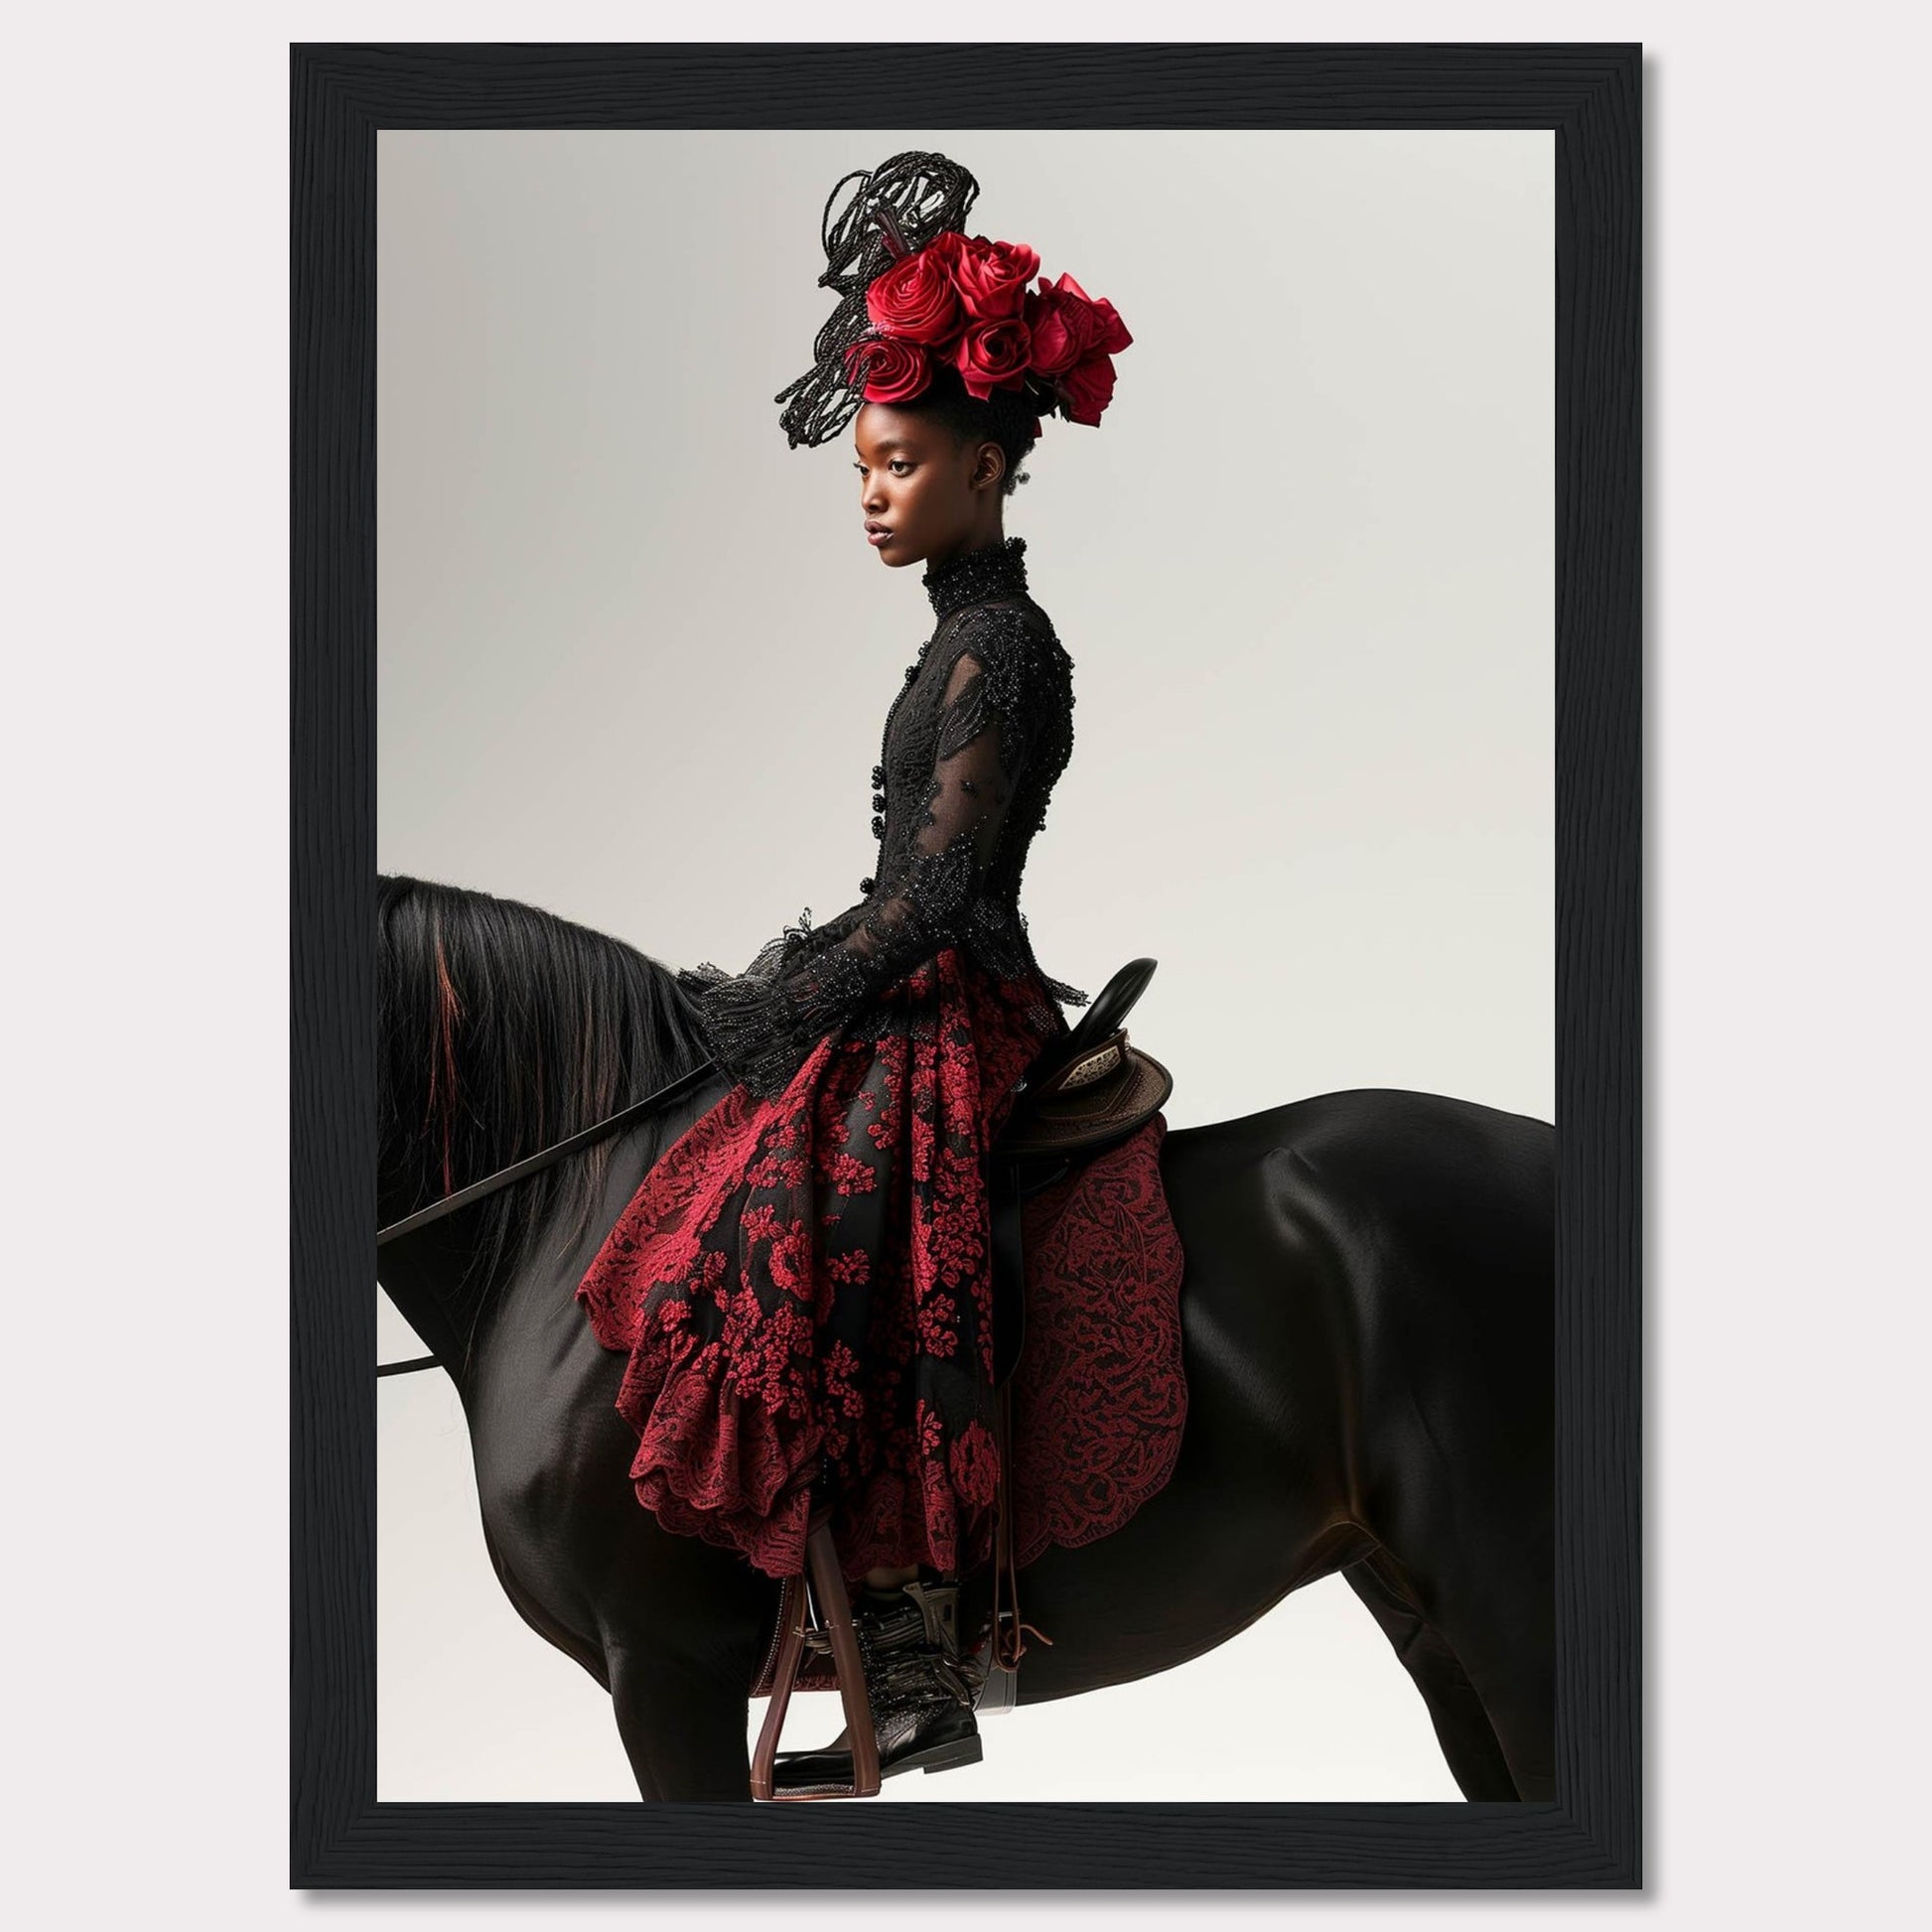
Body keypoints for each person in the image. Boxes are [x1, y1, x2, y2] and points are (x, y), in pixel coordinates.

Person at [573, 149, 1133, 1785]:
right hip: (913, 969)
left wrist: (777, 994)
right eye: (863, 467)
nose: (872, 492)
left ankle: (906, 1638)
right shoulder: (962, 631)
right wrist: (792, 980)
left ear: (980, 461)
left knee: (833, 1205)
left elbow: (944, 895)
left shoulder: (1002, 648)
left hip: (954, 995)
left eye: (898, 463)